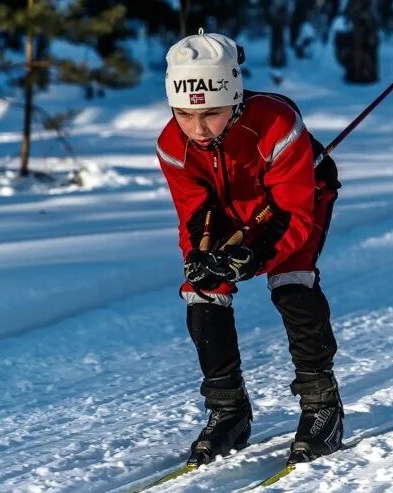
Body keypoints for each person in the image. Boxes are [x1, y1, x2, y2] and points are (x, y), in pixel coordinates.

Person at [156, 29, 345, 467]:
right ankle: (228, 411)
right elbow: (193, 212)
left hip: (297, 200)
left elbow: (292, 214)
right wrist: (198, 257)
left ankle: (322, 407)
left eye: (213, 115)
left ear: (236, 99)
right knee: (202, 289)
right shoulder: (172, 144)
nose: (198, 129)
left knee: (291, 281)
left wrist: (258, 257)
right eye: (184, 114)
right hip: (228, 209)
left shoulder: (277, 125)